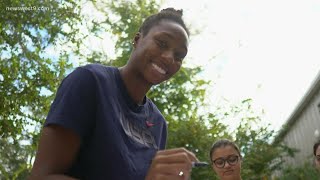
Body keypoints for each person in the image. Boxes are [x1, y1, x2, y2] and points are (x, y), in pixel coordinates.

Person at [29, 8, 199, 180]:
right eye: (162, 43)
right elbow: (41, 177)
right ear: (137, 40)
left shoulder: (158, 123)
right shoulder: (90, 81)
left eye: (179, 56)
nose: (170, 58)